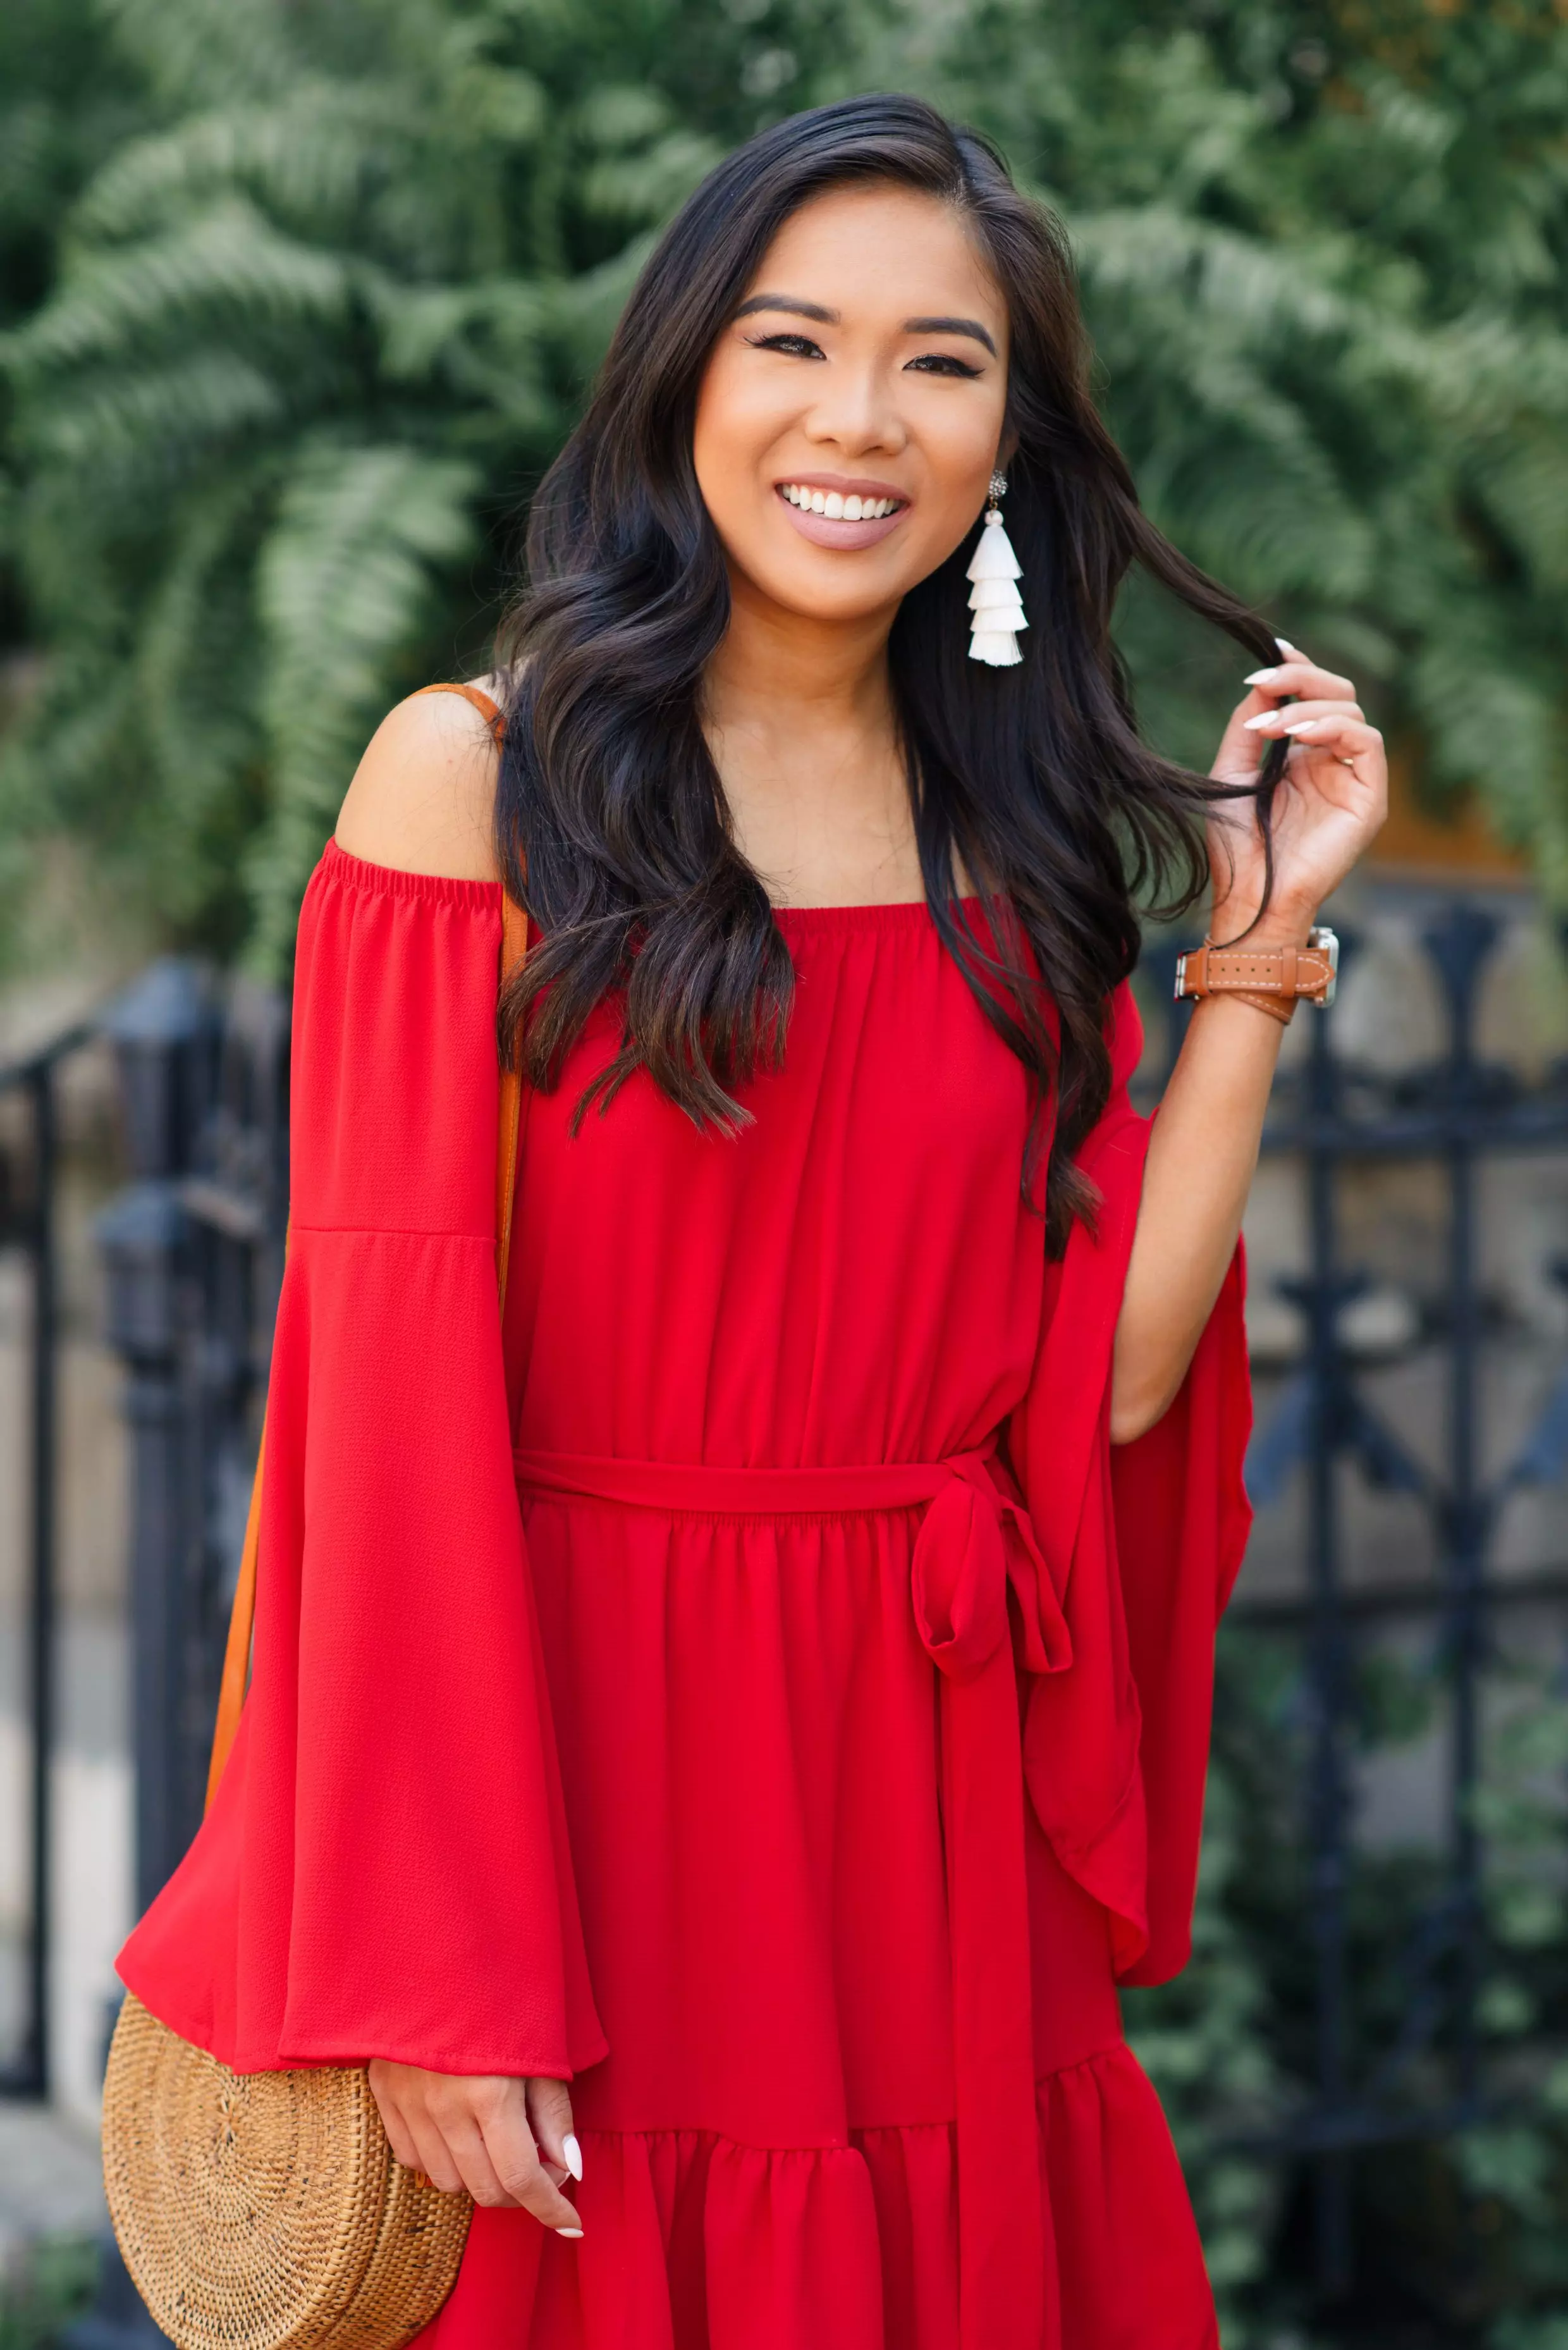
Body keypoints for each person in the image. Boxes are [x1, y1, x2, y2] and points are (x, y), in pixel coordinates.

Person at [117, 92, 1385, 2349]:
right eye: (795, 342)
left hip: (922, 1798)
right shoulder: (469, 780)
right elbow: (376, 1416)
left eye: (943, 361)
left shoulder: (1020, 830)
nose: (859, 419)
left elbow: (1108, 1390)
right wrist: (431, 1952)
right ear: (685, 378)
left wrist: (1260, 951)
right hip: (581, 1794)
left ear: (1008, 441)